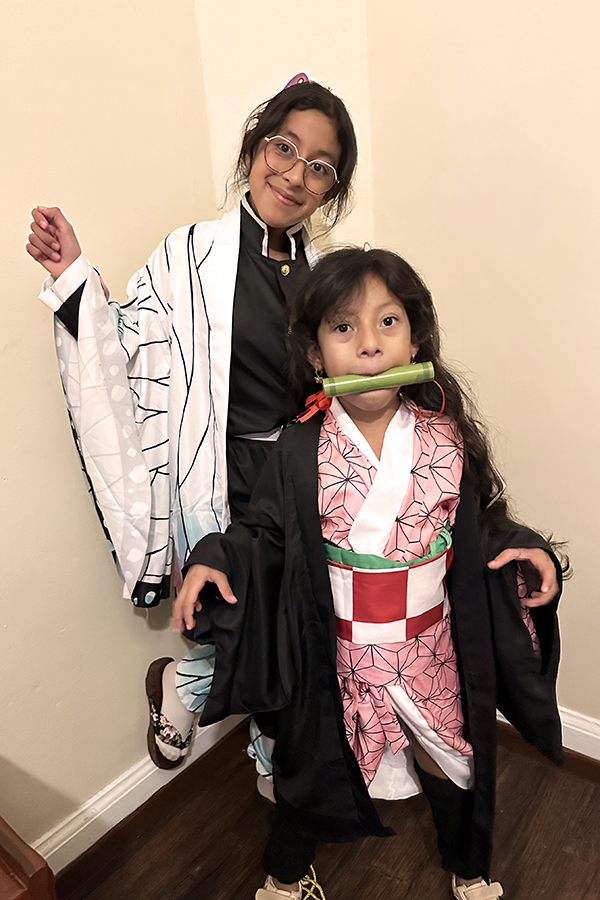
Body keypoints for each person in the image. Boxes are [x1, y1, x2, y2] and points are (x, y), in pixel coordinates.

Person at [173, 247, 565, 900]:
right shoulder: (298, 447)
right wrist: (217, 556)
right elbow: (263, 533)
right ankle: (286, 875)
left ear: (415, 339)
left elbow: (481, 524)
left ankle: (468, 867)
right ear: (316, 355)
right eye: (343, 327)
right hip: (337, 655)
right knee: (314, 773)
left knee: (449, 763)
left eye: (388, 322)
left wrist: (525, 548)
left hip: (429, 649)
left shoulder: (446, 438)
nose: (370, 346)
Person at [25, 77, 358, 769]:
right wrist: (74, 279)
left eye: (320, 167)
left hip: (301, 478)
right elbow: (133, 347)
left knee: (301, 620)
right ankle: (213, 703)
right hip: (221, 477)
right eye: (284, 148)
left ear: (331, 189)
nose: (295, 175)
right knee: (235, 614)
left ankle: (217, 710)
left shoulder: (329, 276)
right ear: (254, 147)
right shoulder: (189, 253)